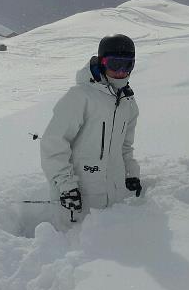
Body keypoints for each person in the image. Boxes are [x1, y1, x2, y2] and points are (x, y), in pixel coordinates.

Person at [40, 33, 141, 230]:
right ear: (102, 63)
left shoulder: (128, 102)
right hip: (77, 200)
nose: (121, 72)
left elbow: (125, 146)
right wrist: (65, 186)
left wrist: (131, 173)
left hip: (114, 199)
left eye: (127, 65)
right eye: (114, 64)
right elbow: (53, 143)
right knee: (73, 254)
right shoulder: (80, 97)